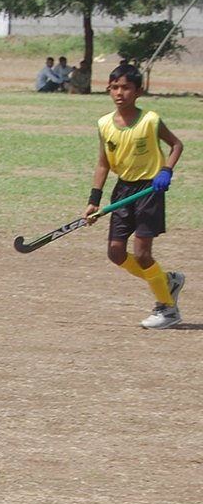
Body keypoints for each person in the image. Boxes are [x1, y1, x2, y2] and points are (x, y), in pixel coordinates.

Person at [84, 64, 185, 329]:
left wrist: (166, 171)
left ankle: (167, 308)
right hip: (123, 190)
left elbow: (176, 145)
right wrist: (94, 200)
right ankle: (166, 281)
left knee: (142, 253)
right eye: (115, 87)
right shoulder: (104, 124)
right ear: (108, 89)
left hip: (150, 190)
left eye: (126, 88)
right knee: (116, 252)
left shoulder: (151, 120)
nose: (120, 93)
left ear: (138, 91)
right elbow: (103, 164)